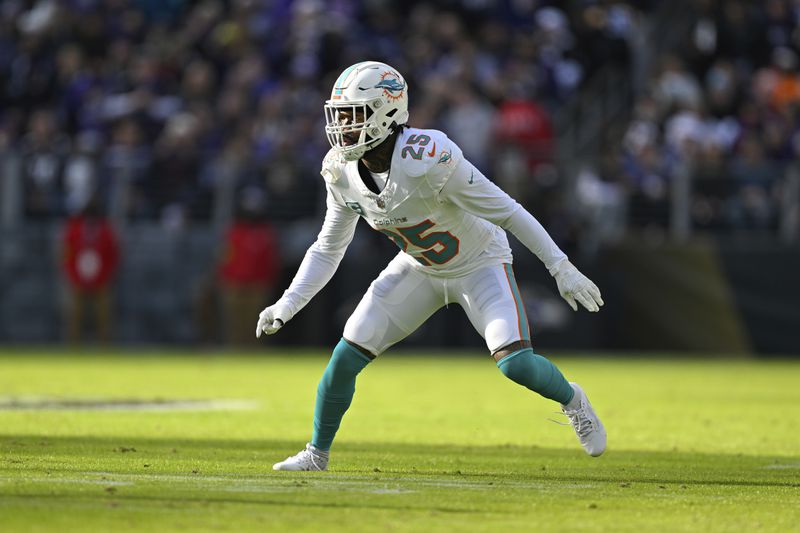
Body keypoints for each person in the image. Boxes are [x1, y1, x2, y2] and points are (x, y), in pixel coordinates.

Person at [257, 62, 606, 471]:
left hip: (480, 264)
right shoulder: (340, 170)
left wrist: (560, 266)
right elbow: (328, 247)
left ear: (387, 112)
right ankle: (316, 455)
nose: (343, 125)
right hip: (418, 267)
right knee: (344, 358)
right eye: (340, 114)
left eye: (355, 113)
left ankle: (573, 400)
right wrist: (288, 303)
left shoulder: (429, 157)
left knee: (516, 364)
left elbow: (507, 212)